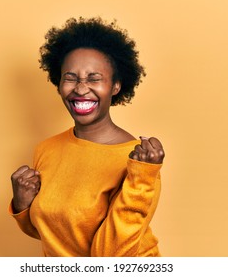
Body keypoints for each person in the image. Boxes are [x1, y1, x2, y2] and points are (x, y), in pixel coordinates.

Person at [9, 17, 165, 257]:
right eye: (70, 77)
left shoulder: (138, 162)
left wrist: (142, 178)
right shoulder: (46, 149)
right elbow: (53, 232)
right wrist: (22, 204)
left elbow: (111, 257)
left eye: (94, 78)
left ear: (115, 86)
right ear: (58, 83)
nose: (81, 89)